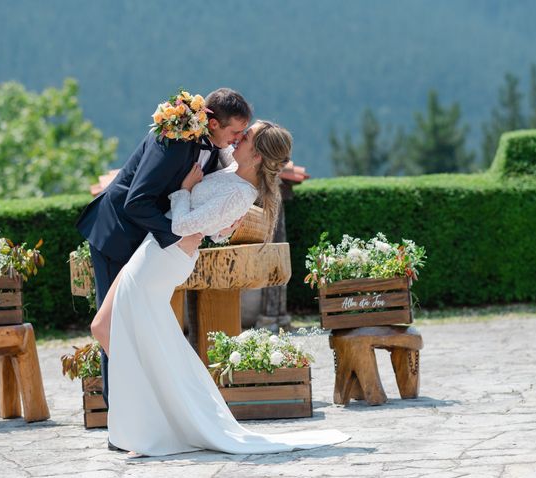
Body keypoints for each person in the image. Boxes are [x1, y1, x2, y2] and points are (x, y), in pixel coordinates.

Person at [92, 120, 350, 456]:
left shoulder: (242, 192)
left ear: (256, 155)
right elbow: (214, 230)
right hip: (155, 251)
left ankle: (154, 419)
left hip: (162, 258)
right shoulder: (232, 169)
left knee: (109, 329)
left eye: (246, 137)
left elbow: (183, 225)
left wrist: (184, 190)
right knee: (116, 331)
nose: (237, 139)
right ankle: (158, 413)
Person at [76, 88, 251, 411]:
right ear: (212, 123)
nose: (239, 139)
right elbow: (136, 202)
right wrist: (175, 239)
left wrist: (222, 228)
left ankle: (151, 411)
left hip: (150, 244)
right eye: (235, 132)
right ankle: (120, 419)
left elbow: (200, 207)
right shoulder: (172, 140)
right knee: (115, 326)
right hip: (118, 235)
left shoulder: (215, 150)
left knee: (143, 325)